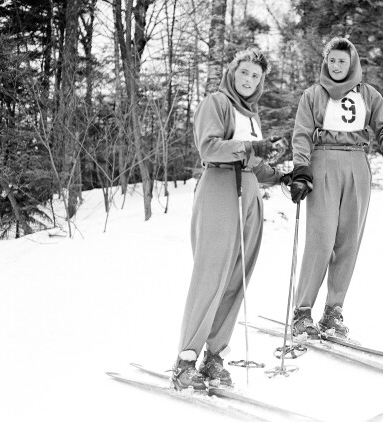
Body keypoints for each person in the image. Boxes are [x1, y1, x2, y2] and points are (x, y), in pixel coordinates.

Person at [171, 48, 286, 390]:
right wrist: (251, 150)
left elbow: (255, 163)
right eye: (244, 72)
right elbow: (209, 147)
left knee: (237, 276)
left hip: (248, 192)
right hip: (220, 186)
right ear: (233, 72)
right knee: (212, 274)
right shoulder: (216, 102)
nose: (249, 80)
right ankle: (185, 360)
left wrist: (282, 176)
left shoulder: (251, 115)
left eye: (256, 76)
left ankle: (214, 357)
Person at [289, 37, 383, 340]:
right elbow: (301, 133)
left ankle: (333, 311)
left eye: (342, 61)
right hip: (323, 161)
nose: (337, 66)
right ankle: (302, 312)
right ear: (325, 62)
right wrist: (301, 168)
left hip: (357, 165)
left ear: (352, 63)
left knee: (348, 241)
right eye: (332, 60)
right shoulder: (313, 95)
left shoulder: (369, 94)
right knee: (322, 238)